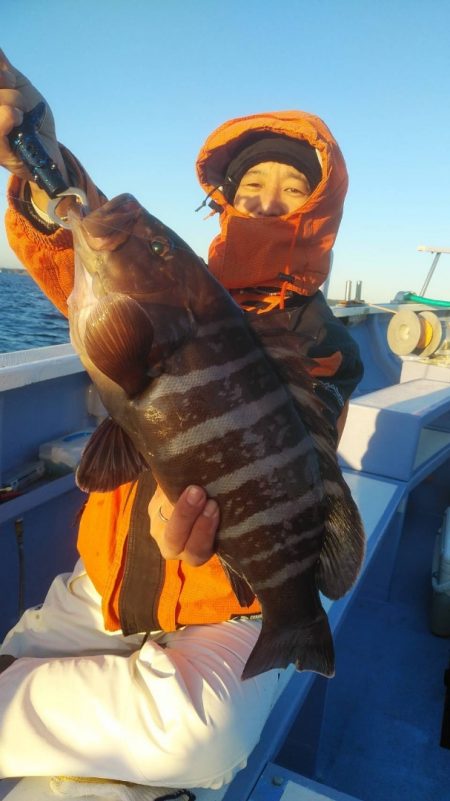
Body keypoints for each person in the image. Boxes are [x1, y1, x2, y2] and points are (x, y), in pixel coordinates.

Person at [0, 51, 363, 793]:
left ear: (317, 212)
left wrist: (193, 517)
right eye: (251, 185)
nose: (266, 202)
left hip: (233, 607)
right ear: (224, 199)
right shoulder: (179, 283)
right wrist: (40, 150)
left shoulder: (318, 335)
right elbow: (85, 236)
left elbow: (301, 451)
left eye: (291, 188)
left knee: (202, 738)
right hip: (102, 586)